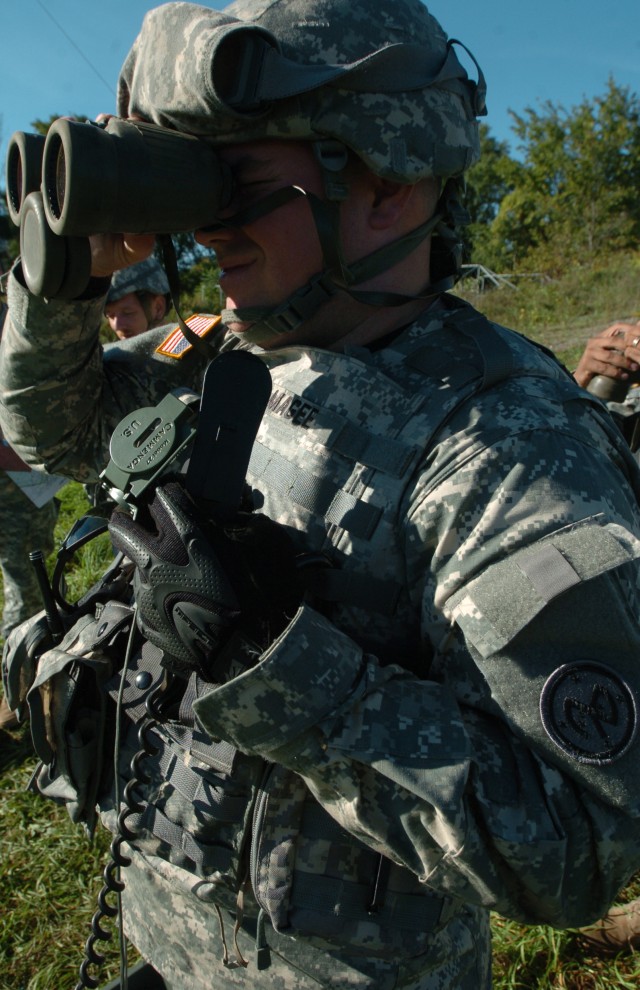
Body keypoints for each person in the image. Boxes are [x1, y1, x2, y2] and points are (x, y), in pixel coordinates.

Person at [2, 2, 640, 989]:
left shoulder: (510, 449)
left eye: (240, 185)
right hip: (171, 941)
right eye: (196, 184)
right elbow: (48, 429)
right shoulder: (225, 353)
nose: (207, 229)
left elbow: (575, 849)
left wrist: (269, 657)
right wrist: (60, 279)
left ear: (385, 181)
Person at [0, 298, 64, 731]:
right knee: (25, 586)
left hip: (22, 480)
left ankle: (26, 685)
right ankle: (20, 689)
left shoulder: (13, 317)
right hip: (14, 480)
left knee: (30, 578)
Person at [104, 256, 172, 340]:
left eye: (127, 312)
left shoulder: (187, 349)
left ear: (158, 308)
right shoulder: (110, 352)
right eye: (110, 316)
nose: (117, 326)